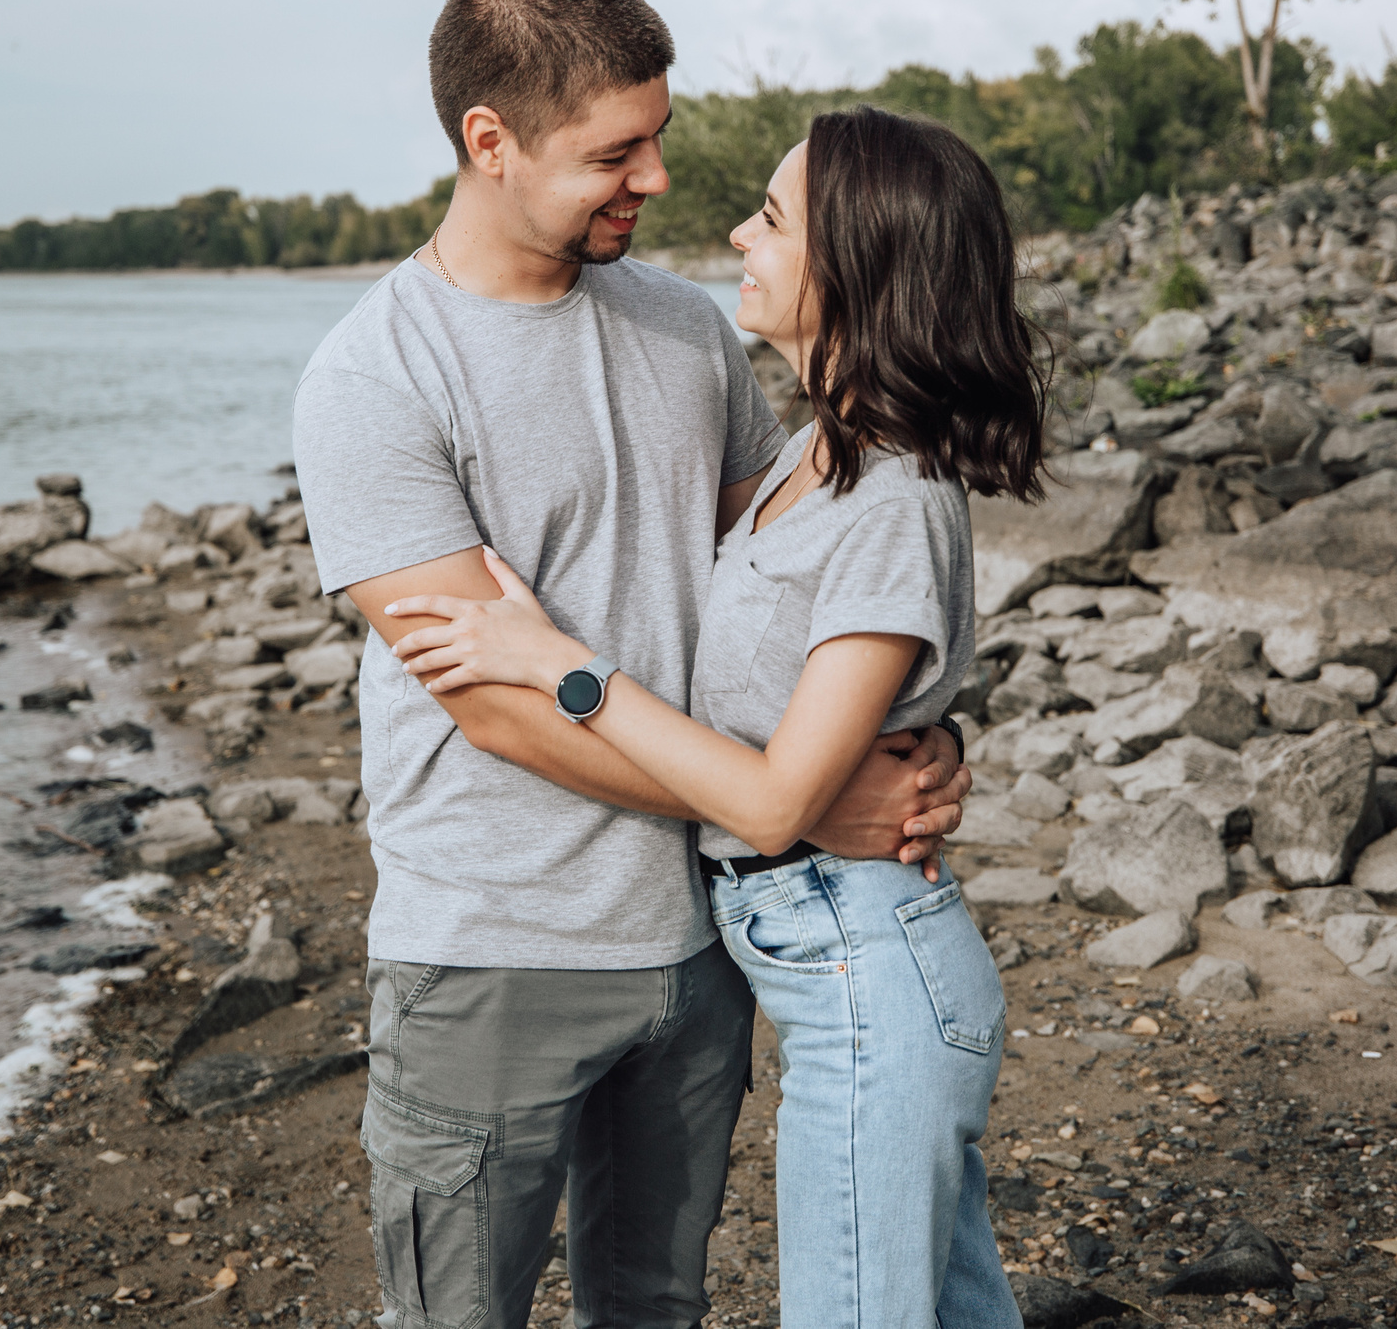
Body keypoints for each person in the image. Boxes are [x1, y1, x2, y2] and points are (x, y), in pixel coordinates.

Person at [289, 0, 974, 1329]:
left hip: (703, 941)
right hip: (491, 948)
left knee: (656, 1305)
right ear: (491, 141)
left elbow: (793, 576)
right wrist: (795, 798)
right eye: (615, 153)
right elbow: (499, 706)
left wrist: (914, 728)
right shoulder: (374, 377)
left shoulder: (682, 328)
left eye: (655, 138)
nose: (655, 179)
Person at [383, 105, 1049, 1328]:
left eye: (773, 218)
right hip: (821, 957)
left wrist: (558, 663)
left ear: (858, 268)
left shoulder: (890, 492)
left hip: (863, 971)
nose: (736, 231)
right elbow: (806, 682)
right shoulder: (811, 457)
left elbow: (777, 799)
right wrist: (916, 734)